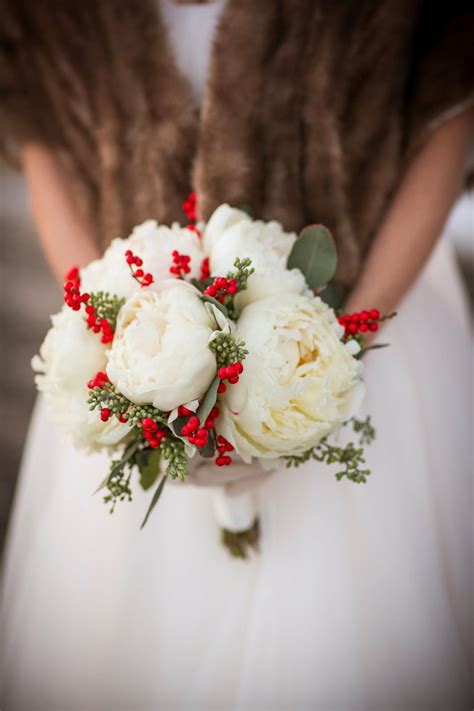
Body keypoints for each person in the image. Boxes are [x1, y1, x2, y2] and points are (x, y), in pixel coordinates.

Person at [1, 1, 473, 709]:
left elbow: (449, 106)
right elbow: (41, 132)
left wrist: (334, 354)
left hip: (375, 330)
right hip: (132, 349)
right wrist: (121, 359)